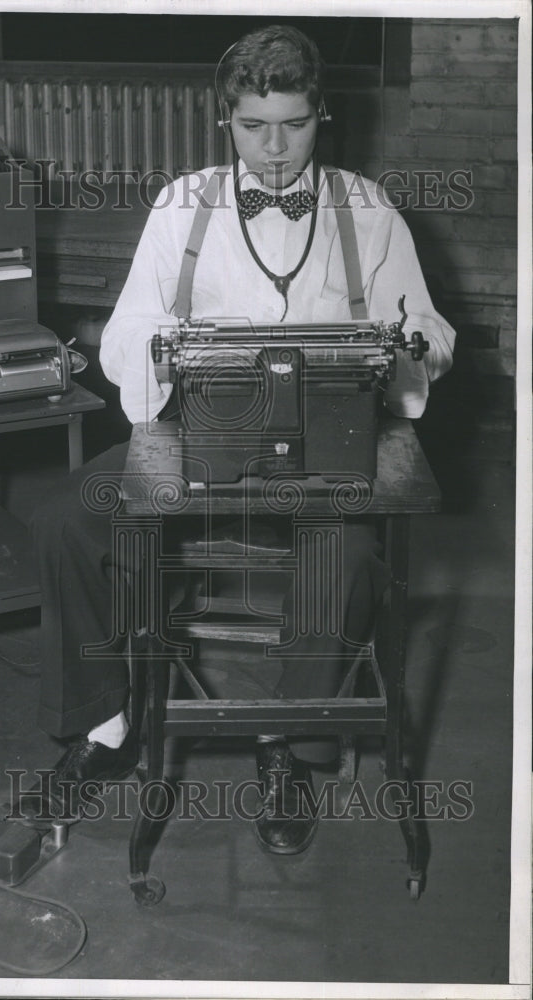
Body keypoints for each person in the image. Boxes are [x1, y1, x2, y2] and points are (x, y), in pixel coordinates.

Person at [27, 25, 455, 854]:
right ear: (226, 119)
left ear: (321, 114)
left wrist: (415, 341)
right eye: (254, 126)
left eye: (292, 125)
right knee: (67, 521)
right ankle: (107, 725)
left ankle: (289, 748)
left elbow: (429, 327)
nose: (273, 149)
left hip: (331, 448)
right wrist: (163, 346)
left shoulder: (366, 210)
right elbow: (125, 336)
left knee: (348, 561)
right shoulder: (182, 206)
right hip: (203, 439)